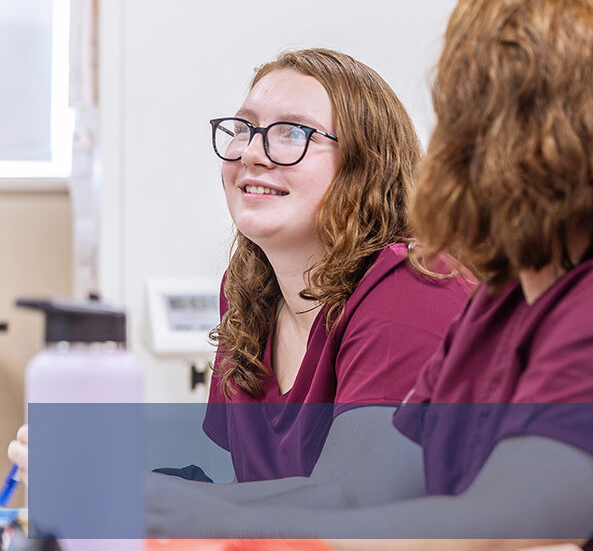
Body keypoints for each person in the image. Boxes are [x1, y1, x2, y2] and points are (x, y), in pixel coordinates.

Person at [144, 0, 593, 549]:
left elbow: (498, 523)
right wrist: (169, 502)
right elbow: (362, 493)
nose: (450, 146)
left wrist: (197, 515)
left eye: (465, 116)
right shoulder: (504, 301)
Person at [10, 48, 474, 505]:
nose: (252, 152)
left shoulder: (411, 284)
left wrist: (121, 490)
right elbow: (254, 497)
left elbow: (351, 505)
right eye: (244, 129)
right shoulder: (249, 292)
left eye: (292, 133)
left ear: (367, 165)